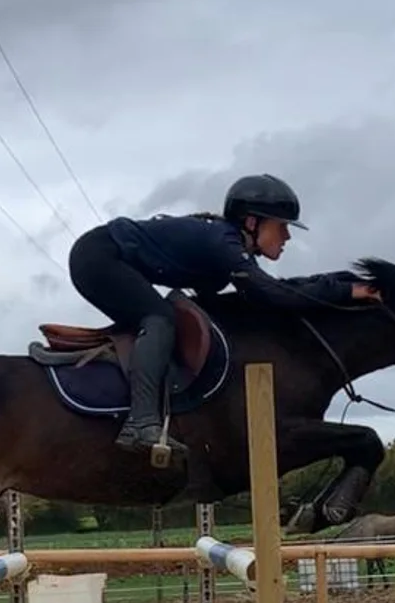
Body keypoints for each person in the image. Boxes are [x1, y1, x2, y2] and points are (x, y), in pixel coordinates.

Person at [67, 174, 318, 456]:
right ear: (252, 222)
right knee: (159, 318)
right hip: (97, 257)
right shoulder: (223, 242)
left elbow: (238, 301)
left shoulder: (226, 247)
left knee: (162, 316)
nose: (287, 236)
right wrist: (345, 293)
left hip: (101, 256)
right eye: (282, 226)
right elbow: (270, 292)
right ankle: (140, 423)